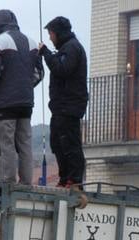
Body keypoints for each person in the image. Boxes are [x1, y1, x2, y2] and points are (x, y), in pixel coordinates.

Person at [0, 8, 42, 185]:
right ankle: (26, 182)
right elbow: (39, 73)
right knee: (24, 143)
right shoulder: (31, 42)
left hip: (4, 103)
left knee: (5, 145)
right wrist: (24, 87)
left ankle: (8, 184)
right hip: (26, 102)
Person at [37, 15, 89, 187]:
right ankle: (65, 177)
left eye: (51, 34)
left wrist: (45, 53)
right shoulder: (66, 48)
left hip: (70, 105)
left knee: (70, 142)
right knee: (58, 143)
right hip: (61, 107)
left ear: (57, 33)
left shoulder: (72, 48)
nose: (50, 38)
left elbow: (62, 69)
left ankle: (74, 179)